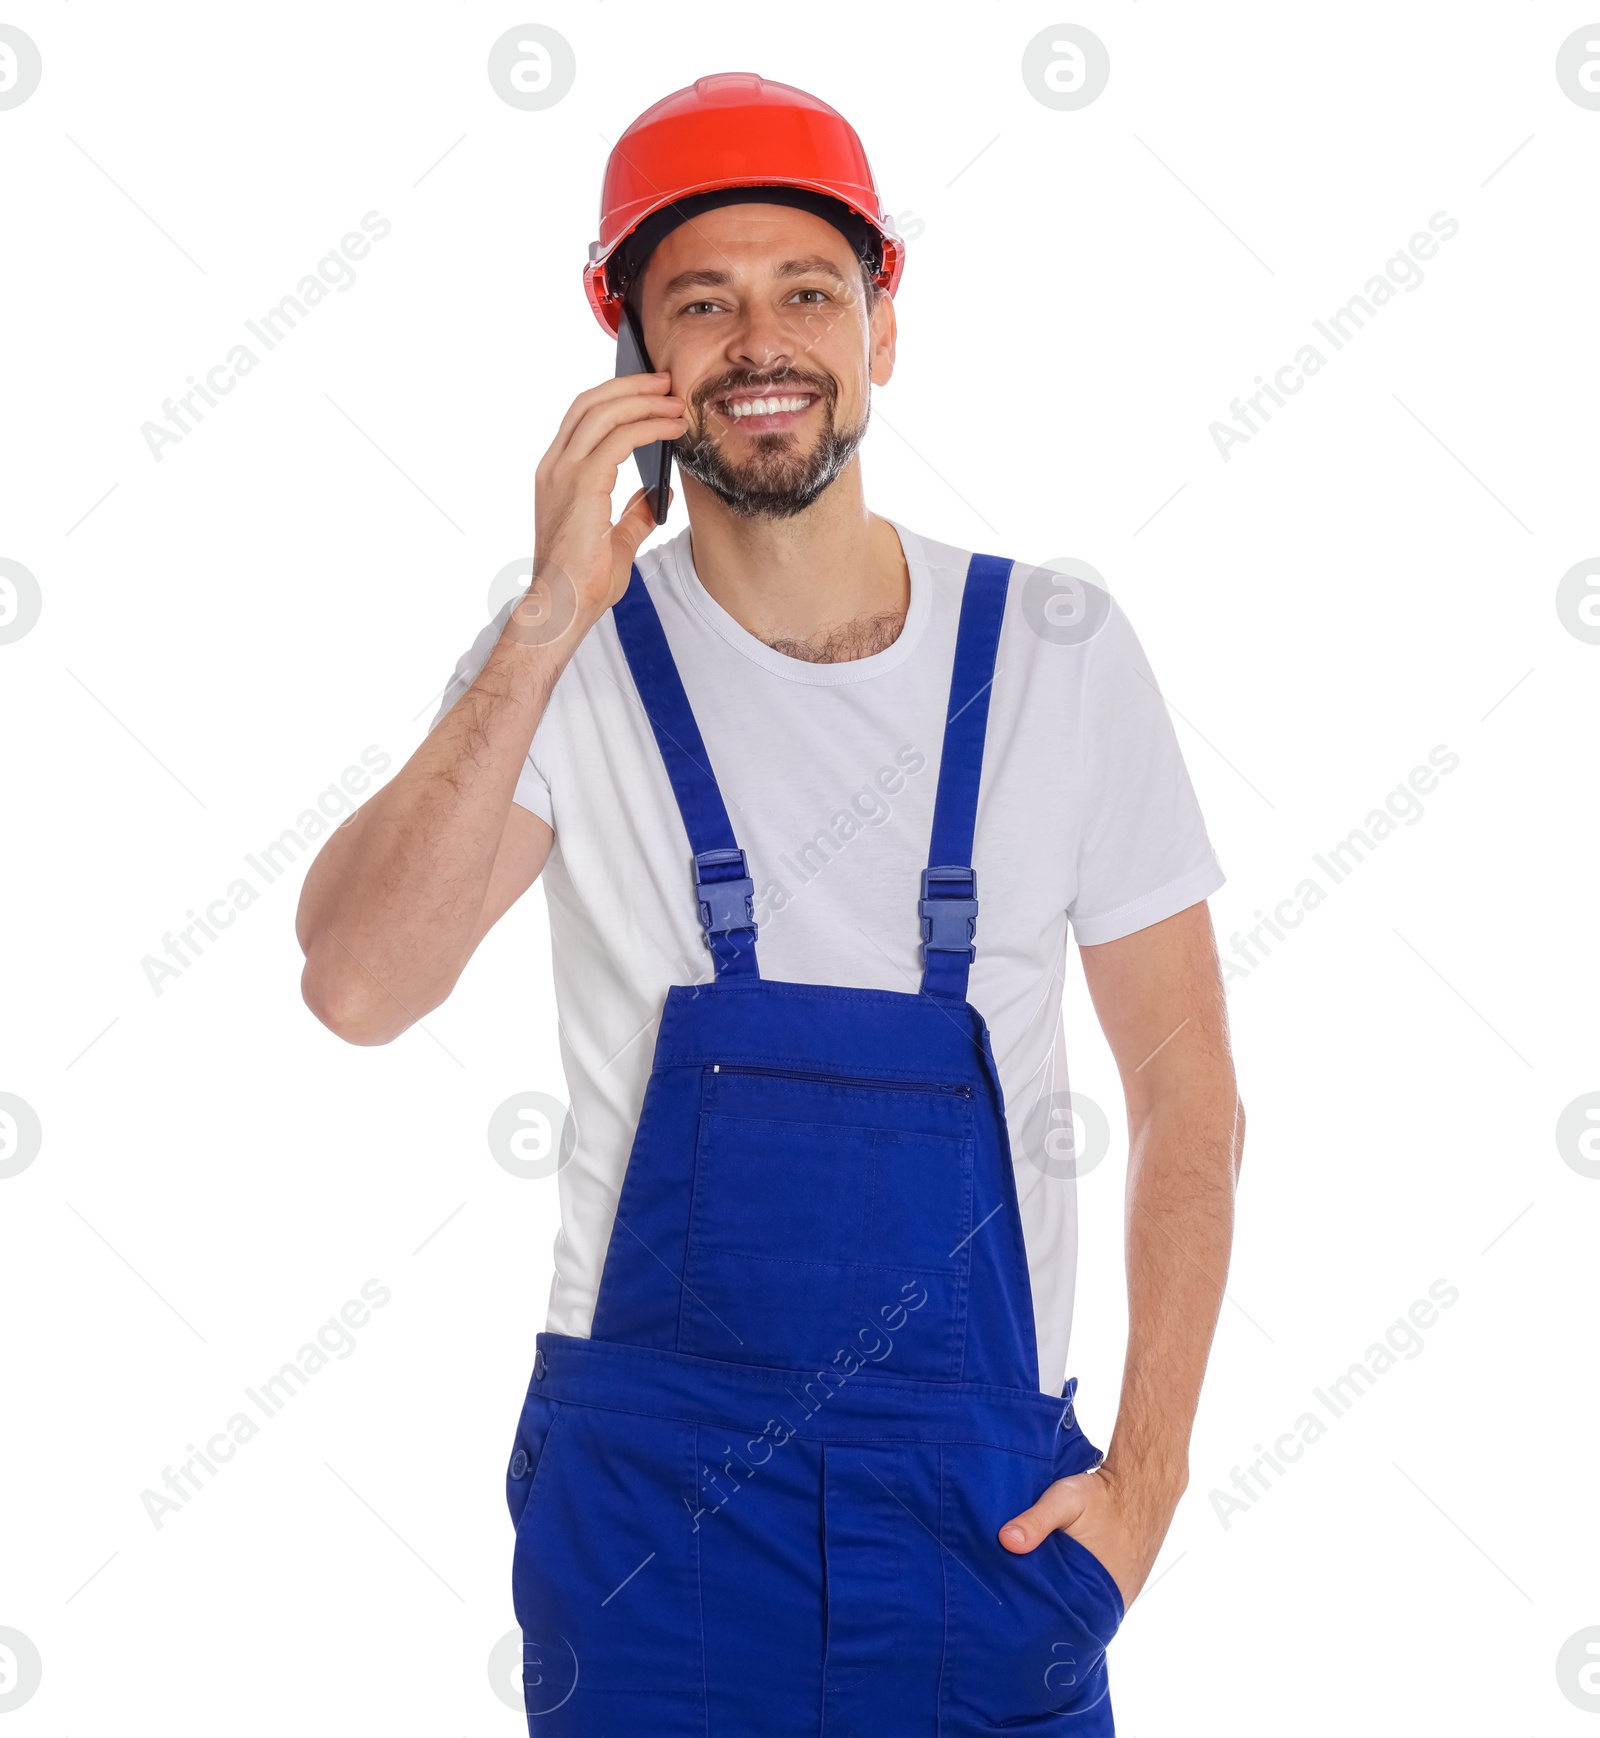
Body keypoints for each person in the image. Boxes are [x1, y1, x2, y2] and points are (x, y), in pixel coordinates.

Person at [296, 71, 1243, 1736]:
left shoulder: (1057, 652)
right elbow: (359, 984)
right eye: (704, 304)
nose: (764, 341)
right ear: (634, 362)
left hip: (985, 1515)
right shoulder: (561, 670)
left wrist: (1150, 1473)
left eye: (809, 292)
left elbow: (1190, 1093)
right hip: (653, 1530)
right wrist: (541, 617)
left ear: (883, 324)